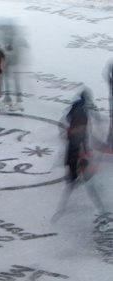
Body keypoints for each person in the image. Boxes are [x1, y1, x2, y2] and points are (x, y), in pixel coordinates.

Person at [52, 88, 107, 223]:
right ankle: (100, 209)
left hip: (76, 152)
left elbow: (68, 124)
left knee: (77, 182)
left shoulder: (76, 108)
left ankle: (63, 207)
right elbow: (79, 133)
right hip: (77, 153)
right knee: (84, 183)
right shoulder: (81, 113)